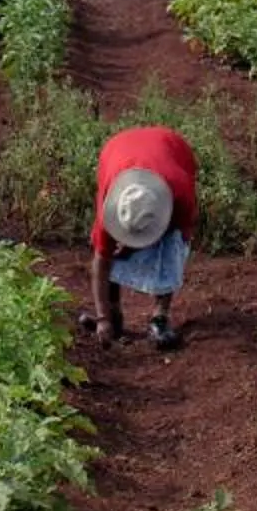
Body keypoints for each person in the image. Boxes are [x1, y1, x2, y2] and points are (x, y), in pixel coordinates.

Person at [87, 123, 199, 350]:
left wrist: (135, 246)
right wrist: (102, 318)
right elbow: (101, 259)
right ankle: (113, 311)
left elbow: (180, 236)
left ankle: (160, 317)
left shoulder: (180, 194)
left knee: (171, 247)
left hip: (171, 147)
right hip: (116, 151)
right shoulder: (111, 202)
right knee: (111, 250)